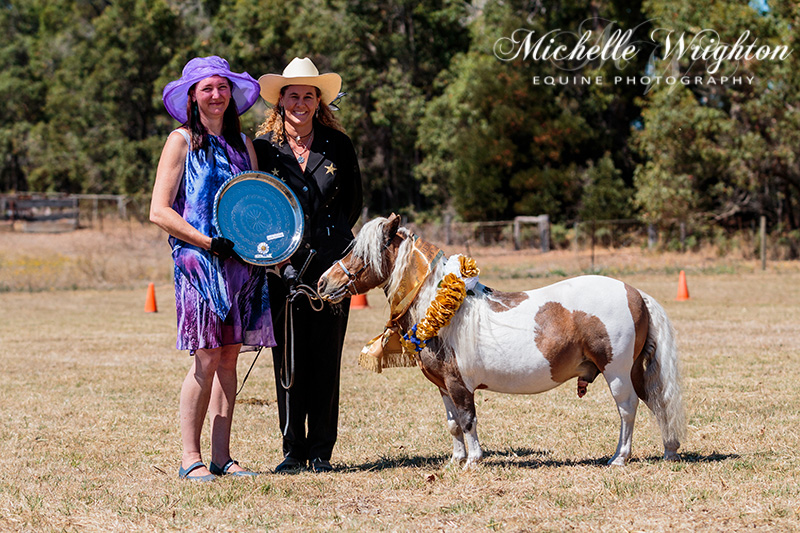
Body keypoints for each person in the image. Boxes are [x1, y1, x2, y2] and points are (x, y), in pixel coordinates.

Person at [150, 56, 275, 481]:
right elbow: (159, 211)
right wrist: (206, 241)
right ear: (192, 96)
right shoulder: (181, 140)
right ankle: (191, 458)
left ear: (232, 94)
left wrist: (267, 246)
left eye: (222, 87)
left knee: (228, 359)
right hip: (199, 264)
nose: (216, 95)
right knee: (204, 357)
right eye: (207, 89)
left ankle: (223, 458)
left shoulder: (244, 145)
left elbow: (259, 203)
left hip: (241, 267)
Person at [253, 57, 363, 473]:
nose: (300, 102)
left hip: (332, 268)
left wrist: (331, 249)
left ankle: (320, 451)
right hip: (281, 269)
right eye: (293, 95)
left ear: (319, 102)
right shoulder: (263, 150)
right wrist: (277, 259)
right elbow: (256, 206)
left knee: (325, 358)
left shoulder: (339, 145)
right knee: (289, 360)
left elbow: (353, 202)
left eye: (308, 96)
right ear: (280, 101)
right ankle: (292, 451)